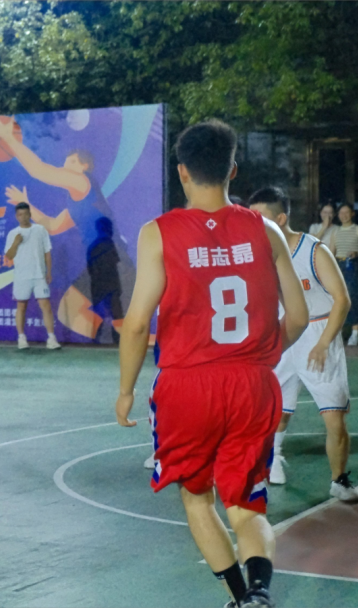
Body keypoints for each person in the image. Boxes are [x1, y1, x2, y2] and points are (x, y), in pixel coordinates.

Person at [116, 120, 308, 608]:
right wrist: (261, 357)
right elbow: (299, 316)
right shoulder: (266, 230)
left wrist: (125, 390)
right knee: (247, 506)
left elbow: (136, 325)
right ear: (232, 170)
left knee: (197, 499)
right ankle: (259, 592)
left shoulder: (158, 233)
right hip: (252, 384)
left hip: (186, 386)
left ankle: (241, 598)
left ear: (182, 171)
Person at [249, 187, 358, 500]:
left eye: (260, 218)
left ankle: (339, 480)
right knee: (275, 409)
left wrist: (323, 343)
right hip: (284, 334)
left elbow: (342, 300)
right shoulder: (259, 254)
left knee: (334, 416)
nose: (253, 224)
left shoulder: (314, 250)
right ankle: (273, 460)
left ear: (281, 218)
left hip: (317, 334)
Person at [0, 116, 130, 341]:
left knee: (97, 315)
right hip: (101, 259)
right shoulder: (78, 203)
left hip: (110, 257)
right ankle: (114, 337)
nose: (66, 166)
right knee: (72, 312)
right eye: (65, 162)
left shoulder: (83, 181)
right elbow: (52, 226)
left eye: (72, 162)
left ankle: (123, 337)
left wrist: (10, 140)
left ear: (84, 167)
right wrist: (26, 204)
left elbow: (40, 170)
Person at [4, 202, 61, 350]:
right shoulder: (13, 234)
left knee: (46, 306)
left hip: (39, 275)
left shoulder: (40, 230)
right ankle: (21, 338)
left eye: (25, 214)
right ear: (16, 216)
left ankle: (51, 338)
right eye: (20, 215)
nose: (23, 217)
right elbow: (9, 256)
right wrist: (16, 243)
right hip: (22, 277)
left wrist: (48, 272)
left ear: (30, 214)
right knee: (21, 307)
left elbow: (47, 252)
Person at [330, 203, 358, 345]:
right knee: (336, 297)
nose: (344, 215)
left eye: (347, 212)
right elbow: (331, 252)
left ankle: (355, 332)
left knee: (352, 296)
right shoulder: (336, 231)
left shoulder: (356, 229)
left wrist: (356, 253)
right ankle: (338, 331)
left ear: (352, 214)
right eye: (341, 213)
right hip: (338, 265)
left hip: (353, 265)